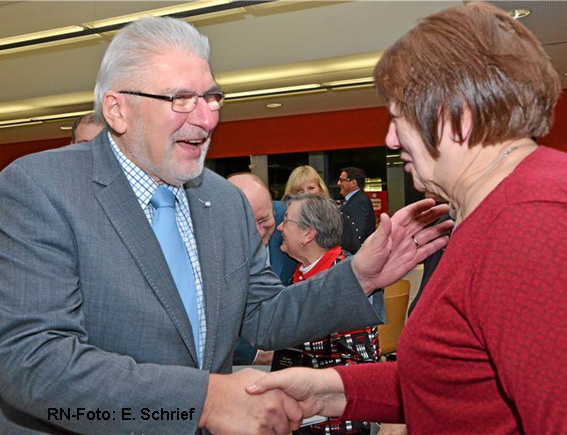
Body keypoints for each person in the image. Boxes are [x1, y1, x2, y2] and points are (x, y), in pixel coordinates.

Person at [0, 16, 453, 434]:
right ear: (117, 110)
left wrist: (359, 276)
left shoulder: (223, 200)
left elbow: (262, 317)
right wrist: (204, 400)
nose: (206, 117)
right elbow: (31, 362)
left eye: (211, 97)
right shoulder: (41, 187)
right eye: (180, 98)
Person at [249, 3, 567, 434]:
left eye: (399, 119)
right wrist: (329, 390)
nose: (390, 139)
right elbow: (454, 383)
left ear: (457, 117)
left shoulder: (532, 222)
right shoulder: (492, 213)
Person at [275, 193, 380, 434]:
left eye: (287, 220)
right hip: (305, 409)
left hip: (335, 420)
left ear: (307, 234)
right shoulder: (301, 273)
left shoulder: (345, 283)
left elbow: (361, 365)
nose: (280, 226)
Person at [227, 173, 295, 366]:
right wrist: (256, 355)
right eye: (246, 223)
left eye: (264, 220)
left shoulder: (290, 220)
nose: (257, 231)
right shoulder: (204, 243)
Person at [337, 167, 376, 254]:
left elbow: (357, 234)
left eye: (341, 180)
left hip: (354, 255)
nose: (338, 183)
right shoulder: (356, 200)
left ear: (353, 182)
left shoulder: (359, 201)